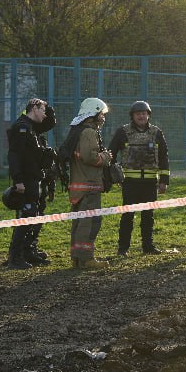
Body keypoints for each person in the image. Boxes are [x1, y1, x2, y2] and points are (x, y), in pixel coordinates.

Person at [108, 100, 170, 258]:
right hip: (130, 182)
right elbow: (111, 154)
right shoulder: (123, 132)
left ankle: (148, 246)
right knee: (127, 216)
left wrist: (164, 181)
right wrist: (114, 174)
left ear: (148, 115)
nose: (141, 116)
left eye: (144, 113)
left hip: (150, 182)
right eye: (138, 113)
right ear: (132, 116)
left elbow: (163, 157)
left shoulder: (156, 132)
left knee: (148, 216)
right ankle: (123, 248)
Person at [5, 99, 57, 270]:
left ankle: (28, 251)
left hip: (34, 178)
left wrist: (47, 106)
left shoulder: (33, 126)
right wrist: (18, 180)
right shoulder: (22, 127)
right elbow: (14, 155)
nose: (45, 114)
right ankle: (15, 257)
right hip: (26, 180)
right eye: (42, 110)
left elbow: (50, 122)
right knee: (25, 217)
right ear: (34, 108)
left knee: (34, 214)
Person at [61, 97, 113, 269]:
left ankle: (77, 258)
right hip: (89, 186)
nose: (103, 118)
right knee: (90, 223)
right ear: (94, 114)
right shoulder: (89, 132)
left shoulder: (77, 130)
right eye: (102, 114)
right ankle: (86, 259)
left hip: (79, 186)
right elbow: (90, 157)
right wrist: (106, 157)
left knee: (79, 222)